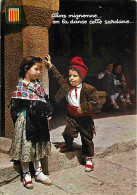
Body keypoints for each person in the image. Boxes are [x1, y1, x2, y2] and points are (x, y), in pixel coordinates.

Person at [45, 54, 100, 172]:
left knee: (87, 138)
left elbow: (96, 103)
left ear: (81, 76)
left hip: (85, 118)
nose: (71, 78)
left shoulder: (89, 89)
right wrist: (50, 66)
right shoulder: (67, 85)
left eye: (75, 76)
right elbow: (58, 77)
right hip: (72, 116)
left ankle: (89, 158)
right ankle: (68, 144)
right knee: (67, 133)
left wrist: (85, 107)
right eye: (70, 76)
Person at [10, 56, 53, 189]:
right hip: (26, 123)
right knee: (26, 147)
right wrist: (20, 119)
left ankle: (38, 172)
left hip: (38, 122)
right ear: (26, 69)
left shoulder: (38, 85)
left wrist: (48, 112)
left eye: (39, 69)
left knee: (37, 147)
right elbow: (14, 107)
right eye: (36, 69)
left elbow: (45, 99)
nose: (38, 72)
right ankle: (26, 173)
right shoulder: (20, 87)